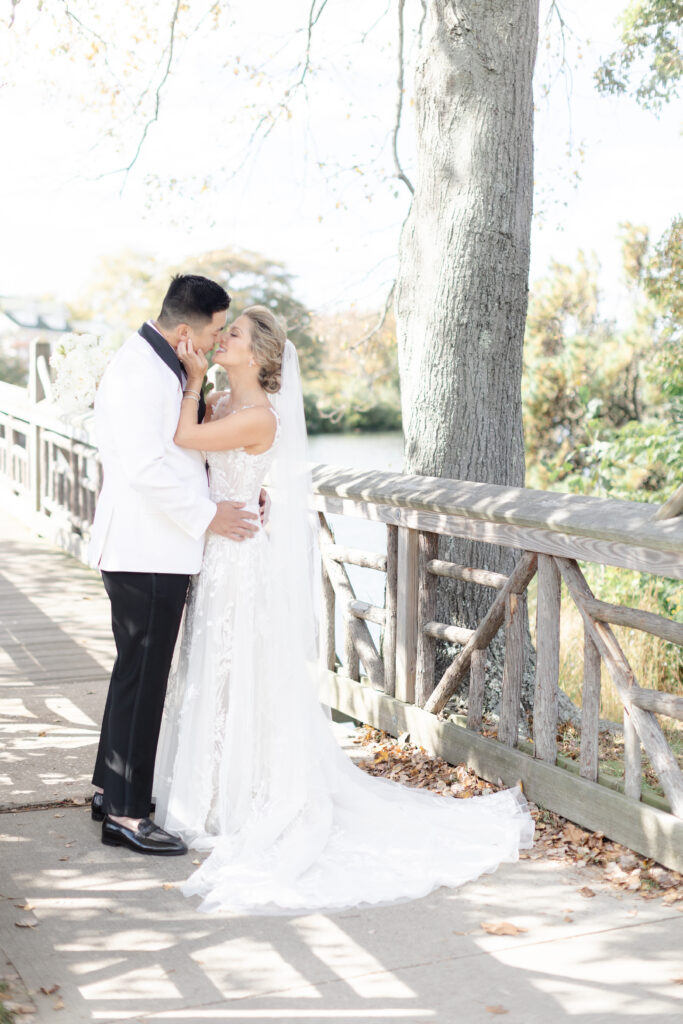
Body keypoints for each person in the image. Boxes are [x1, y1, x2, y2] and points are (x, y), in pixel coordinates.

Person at [152, 304, 534, 914]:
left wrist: (192, 380)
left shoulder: (257, 417)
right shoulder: (225, 403)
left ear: (259, 355)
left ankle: (245, 794)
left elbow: (183, 438)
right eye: (223, 332)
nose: (222, 339)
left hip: (241, 560)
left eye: (234, 335)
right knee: (218, 671)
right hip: (220, 549)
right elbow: (202, 460)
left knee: (241, 666)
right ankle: (214, 787)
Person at [88, 274, 261, 856]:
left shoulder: (159, 364)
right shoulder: (140, 372)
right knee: (144, 678)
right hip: (147, 548)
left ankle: (108, 791)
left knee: (133, 672)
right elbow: (145, 468)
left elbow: (179, 451)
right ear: (186, 328)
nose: (216, 342)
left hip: (152, 545)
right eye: (216, 331)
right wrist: (210, 514)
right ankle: (128, 816)